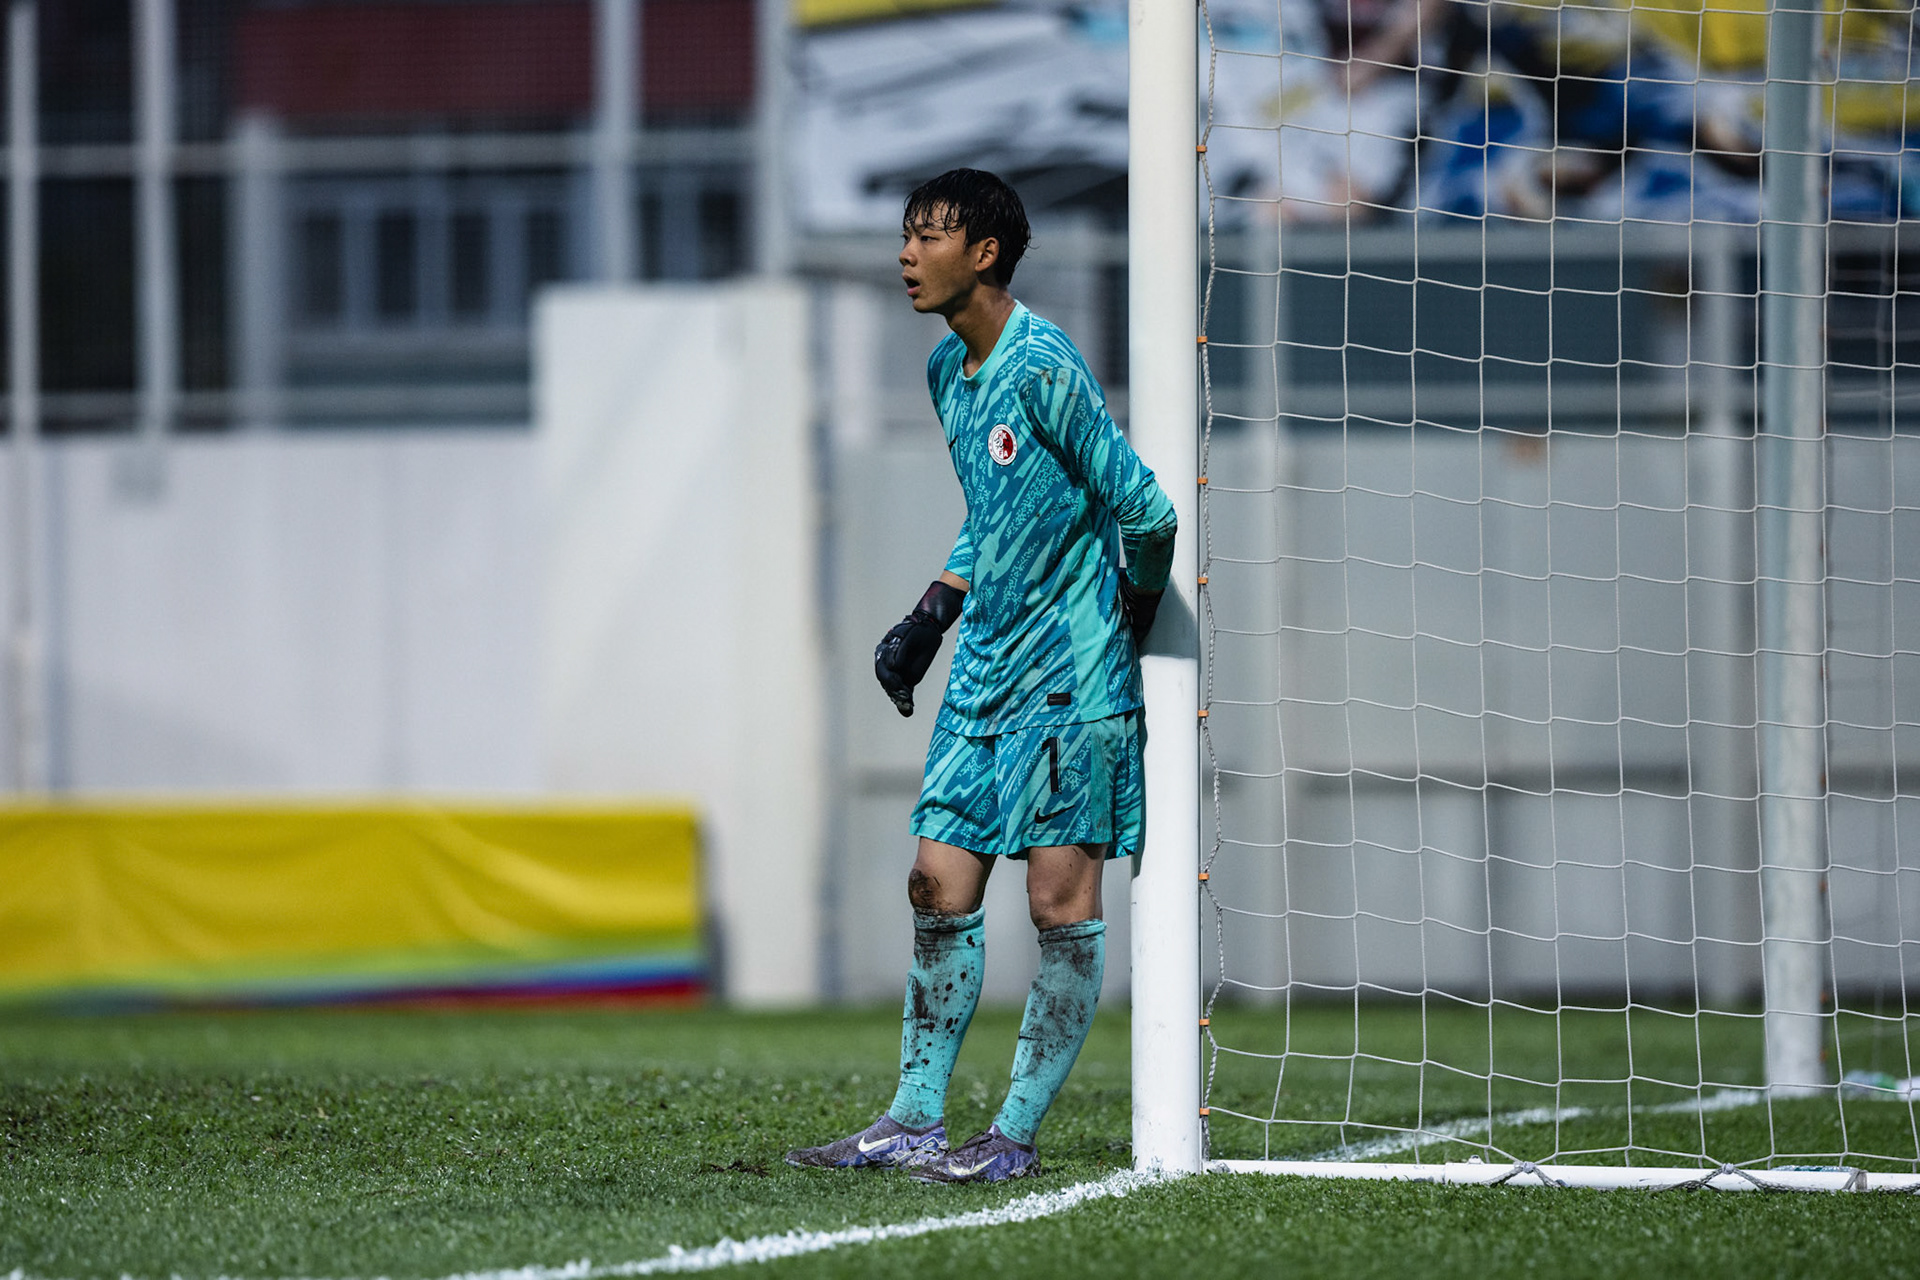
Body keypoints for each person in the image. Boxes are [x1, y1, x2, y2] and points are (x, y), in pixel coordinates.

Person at [785, 168, 1177, 1184]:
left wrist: (1125, 617)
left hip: (1066, 683)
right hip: (985, 671)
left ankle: (1011, 1132)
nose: (906, 255)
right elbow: (996, 511)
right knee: (935, 882)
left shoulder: (1044, 364)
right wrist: (935, 608)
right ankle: (915, 1116)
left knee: (1057, 905)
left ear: (986, 253)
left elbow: (1147, 511)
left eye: (928, 236)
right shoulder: (945, 373)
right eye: (906, 236)